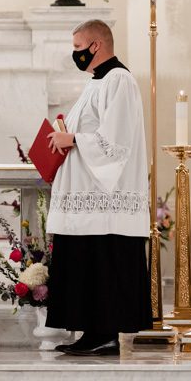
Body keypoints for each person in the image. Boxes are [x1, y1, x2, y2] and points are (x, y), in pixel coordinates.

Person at [45, 19, 152, 356]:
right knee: (85, 263)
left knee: (101, 263)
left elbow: (116, 142)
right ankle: (92, 331)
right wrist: (67, 136)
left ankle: (103, 332)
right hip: (87, 197)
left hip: (104, 202)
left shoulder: (119, 80)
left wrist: (71, 138)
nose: (74, 54)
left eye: (78, 48)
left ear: (96, 45)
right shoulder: (97, 81)